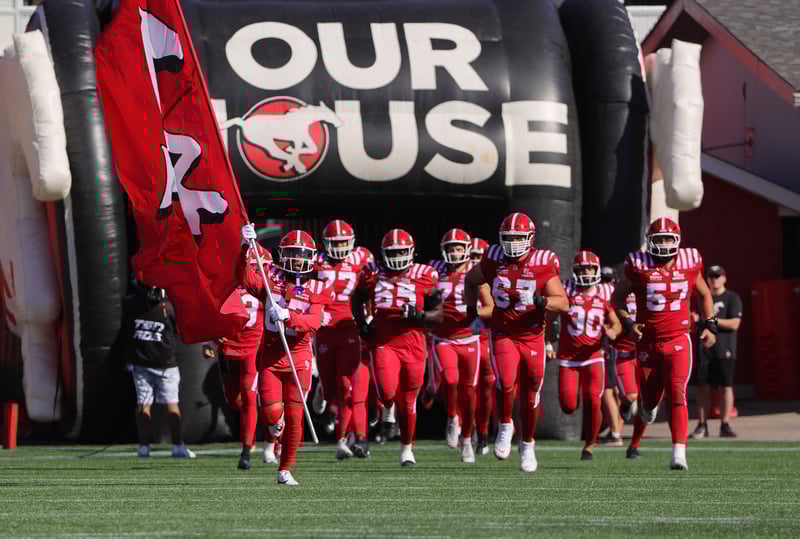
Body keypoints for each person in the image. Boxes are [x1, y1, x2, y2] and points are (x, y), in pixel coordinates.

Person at [464, 212, 568, 472]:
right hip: (504, 333)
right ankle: (505, 425)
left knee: (531, 392)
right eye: (507, 238)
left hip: (533, 336)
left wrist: (545, 302)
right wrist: (469, 308)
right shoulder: (493, 258)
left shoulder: (543, 262)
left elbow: (563, 302)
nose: (512, 243)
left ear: (530, 239)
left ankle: (528, 445)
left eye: (517, 238)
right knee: (506, 382)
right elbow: (471, 279)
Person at [611, 217, 717, 470]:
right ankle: (646, 414)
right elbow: (618, 298)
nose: (664, 244)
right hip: (647, 343)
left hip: (679, 339)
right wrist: (627, 322)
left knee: (677, 392)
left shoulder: (690, 262)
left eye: (668, 239)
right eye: (659, 240)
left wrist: (709, 323)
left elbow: (703, 293)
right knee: (648, 402)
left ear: (678, 241)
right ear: (650, 241)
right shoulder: (638, 264)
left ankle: (678, 452)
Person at [239, 225, 335, 486]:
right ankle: (275, 433)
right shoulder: (271, 277)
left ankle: (285, 469)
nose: (296, 260)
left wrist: (289, 317)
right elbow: (247, 281)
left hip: (299, 358)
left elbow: (314, 322)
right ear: (281, 254)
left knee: (294, 416)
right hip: (271, 356)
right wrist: (246, 249)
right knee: (271, 415)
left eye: (301, 254)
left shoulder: (318, 286)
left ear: (311, 257)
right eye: (291, 253)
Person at [354, 228, 442, 467]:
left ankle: (406, 450)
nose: (397, 256)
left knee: (409, 402)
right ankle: (388, 411)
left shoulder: (426, 275)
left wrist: (421, 315)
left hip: (413, 344)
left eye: (402, 252)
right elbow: (357, 298)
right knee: (386, 391)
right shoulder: (371, 273)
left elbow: (440, 313)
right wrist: (362, 323)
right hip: (384, 342)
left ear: (411, 252)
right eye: (393, 252)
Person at [429, 228, 494, 463]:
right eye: (450, 249)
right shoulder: (434, 271)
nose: (454, 253)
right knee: (450, 380)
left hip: (469, 338)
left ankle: (467, 439)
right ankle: (451, 418)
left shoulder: (476, 273)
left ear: (467, 251)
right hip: (443, 338)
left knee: (469, 391)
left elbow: (490, 307)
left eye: (458, 249)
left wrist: (475, 311)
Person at [550, 251, 621, 460]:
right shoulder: (566, 290)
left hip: (593, 355)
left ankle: (590, 445)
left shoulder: (605, 292)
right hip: (568, 357)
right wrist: (547, 342)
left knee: (593, 402)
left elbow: (615, 322)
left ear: (597, 271)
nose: (586, 274)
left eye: (589, 269)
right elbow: (550, 315)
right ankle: (589, 435)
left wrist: (613, 332)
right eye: (581, 270)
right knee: (568, 405)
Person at [314, 219, 372, 459]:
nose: (338, 248)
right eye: (334, 243)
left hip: (348, 328)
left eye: (343, 243)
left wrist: (369, 316)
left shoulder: (361, 258)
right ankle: (321, 391)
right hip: (323, 330)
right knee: (330, 392)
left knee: (346, 387)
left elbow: (371, 289)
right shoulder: (314, 260)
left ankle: (341, 440)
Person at [123, 283, 195, 459]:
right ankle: (176, 445)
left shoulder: (132, 303)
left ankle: (144, 447)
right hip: (163, 363)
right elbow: (180, 330)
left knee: (145, 403)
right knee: (166, 403)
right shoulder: (168, 307)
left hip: (145, 362)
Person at [217, 243, 273, 469]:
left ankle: (247, 450)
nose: (260, 272)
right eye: (255, 267)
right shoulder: (227, 284)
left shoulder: (267, 287)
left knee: (250, 397)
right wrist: (212, 337)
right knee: (235, 400)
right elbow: (212, 310)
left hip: (254, 346)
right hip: (228, 346)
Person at [690, 264, 742, 438]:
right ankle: (702, 424)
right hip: (704, 348)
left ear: (724, 278)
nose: (714, 279)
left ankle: (725, 423)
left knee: (725, 386)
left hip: (724, 347)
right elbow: (693, 319)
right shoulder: (702, 297)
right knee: (702, 386)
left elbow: (734, 323)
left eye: (718, 276)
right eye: (711, 276)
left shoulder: (732, 298)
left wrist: (711, 320)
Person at [468, 237, 495, 456]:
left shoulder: (497, 276)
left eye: (479, 257)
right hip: (462, 337)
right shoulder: (457, 276)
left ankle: (483, 431)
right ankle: (465, 427)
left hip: (487, 336)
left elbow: (493, 308)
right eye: (472, 256)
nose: (475, 261)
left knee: (487, 387)